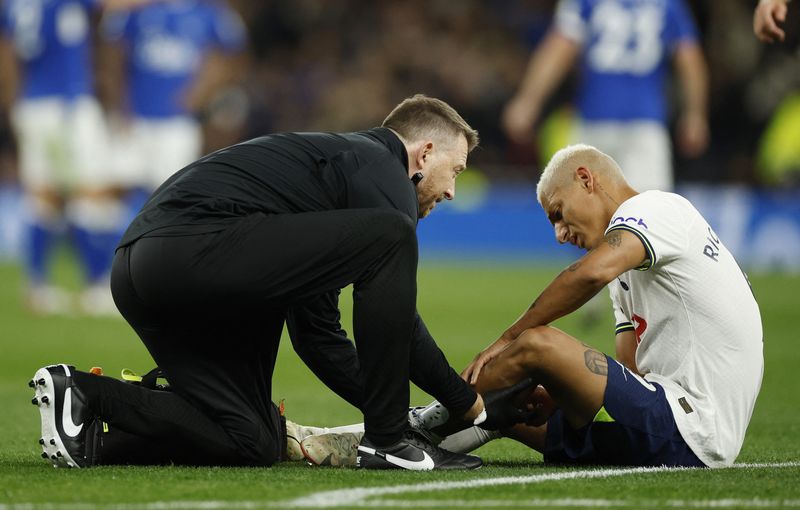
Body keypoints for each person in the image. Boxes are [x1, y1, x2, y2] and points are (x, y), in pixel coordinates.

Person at [30, 94, 526, 470]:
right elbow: (401, 316)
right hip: (193, 251)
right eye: (455, 170)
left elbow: (320, 339)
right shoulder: (381, 167)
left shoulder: (328, 193)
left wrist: (407, 409)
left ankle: (89, 405)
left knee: (251, 439)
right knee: (395, 236)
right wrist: (466, 407)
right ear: (424, 153)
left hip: (147, 270)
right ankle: (389, 445)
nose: (454, 190)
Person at [304, 144, 764, 468]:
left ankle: (398, 430)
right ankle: (405, 434)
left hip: (692, 423)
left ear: (587, 179)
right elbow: (632, 372)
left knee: (536, 345)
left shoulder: (657, 208)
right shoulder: (629, 267)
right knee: (505, 408)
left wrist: (510, 339)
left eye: (559, 214)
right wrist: (559, 389)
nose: (560, 235)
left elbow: (585, 274)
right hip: (672, 426)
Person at [0, 0, 138, 315]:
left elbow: (7, 52)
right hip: (66, 105)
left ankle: (36, 286)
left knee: (44, 196)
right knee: (91, 192)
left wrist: (13, 104)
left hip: (33, 103)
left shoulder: (14, 5)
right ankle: (96, 286)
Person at [502, 0, 709, 192]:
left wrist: (528, 101)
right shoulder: (668, 3)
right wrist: (695, 114)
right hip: (645, 125)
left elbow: (560, 48)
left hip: (595, 120)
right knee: (648, 218)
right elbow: (689, 57)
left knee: (587, 220)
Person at [100, 0, 246, 197]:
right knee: (116, 190)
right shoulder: (136, 8)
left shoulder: (210, 11)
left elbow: (232, 54)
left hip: (178, 123)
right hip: (133, 119)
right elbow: (112, 53)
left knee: (172, 195)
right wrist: (118, 104)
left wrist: (203, 90)